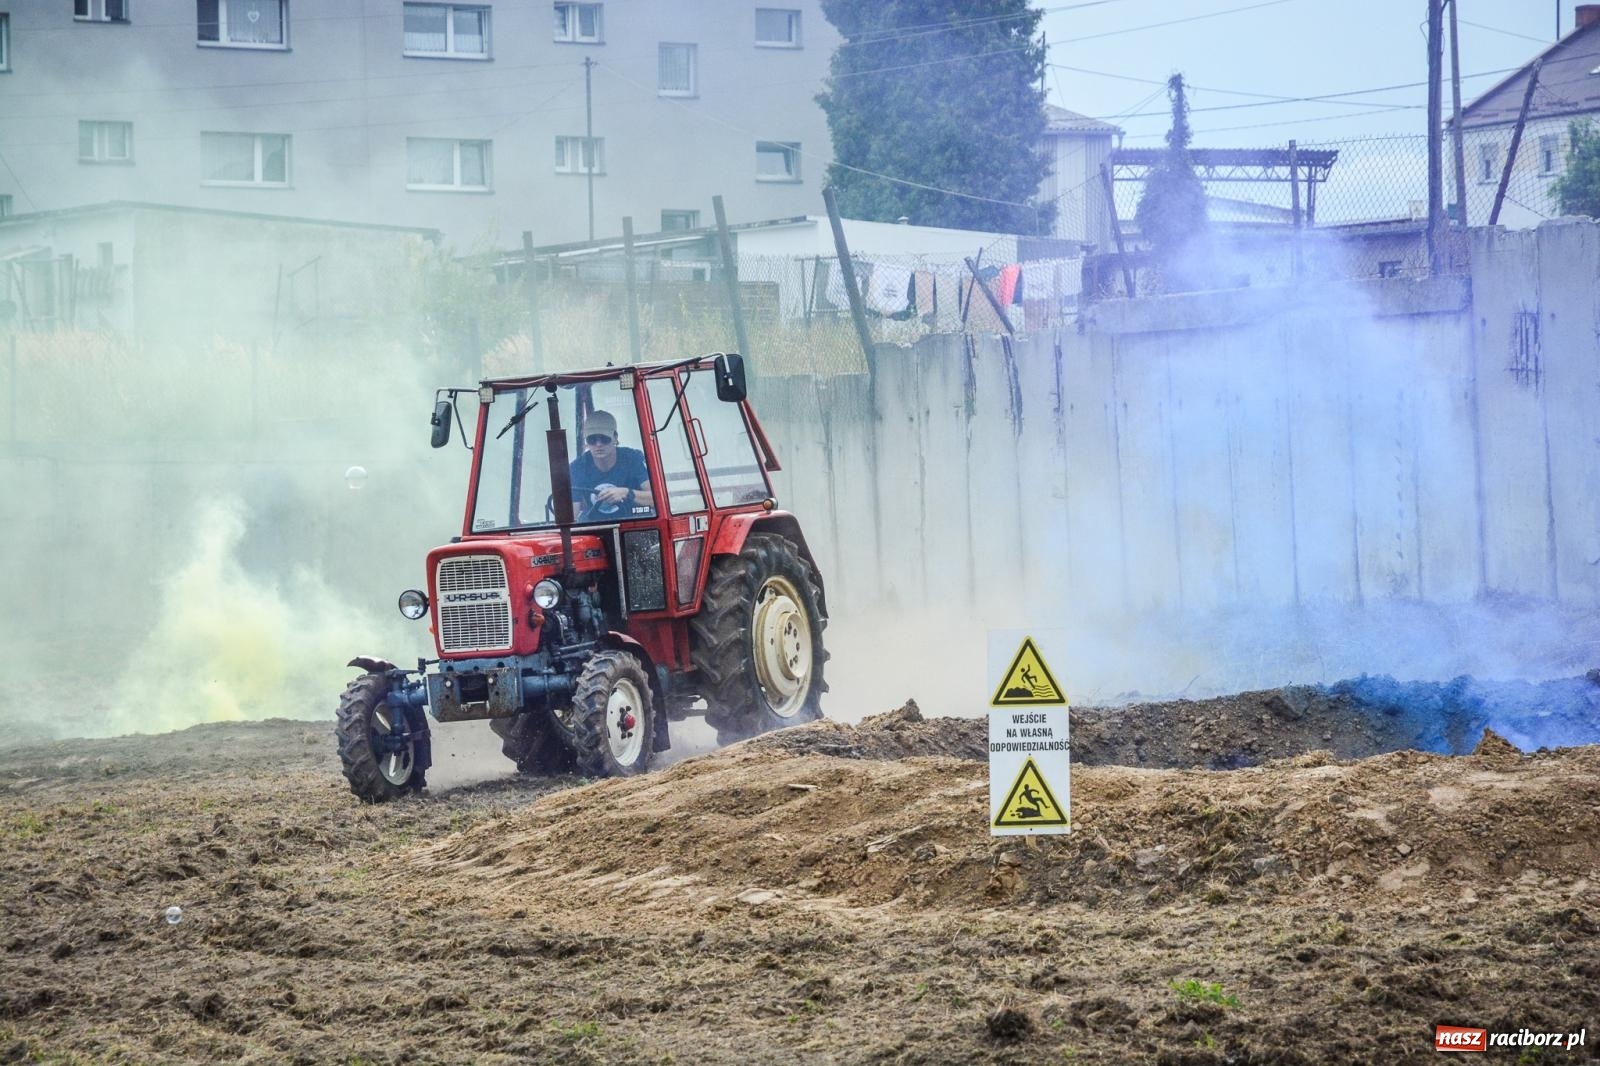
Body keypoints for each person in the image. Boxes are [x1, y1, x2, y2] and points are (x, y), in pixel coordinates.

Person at [568, 409, 653, 519]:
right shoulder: (577, 468)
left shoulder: (631, 459)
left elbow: (655, 500)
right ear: (586, 442)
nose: (598, 444)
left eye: (604, 439)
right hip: (596, 528)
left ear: (615, 438)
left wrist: (626, 493)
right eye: (592, 439)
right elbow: (571, 517)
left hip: (634, 524)